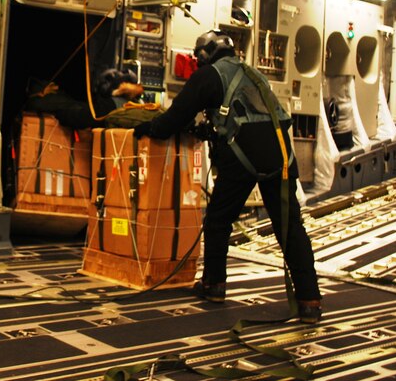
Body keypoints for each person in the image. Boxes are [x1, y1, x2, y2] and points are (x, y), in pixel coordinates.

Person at [132, 29, 322, 324]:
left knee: (218, 220)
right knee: (289, 227)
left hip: (242, 156)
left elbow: (177, 115)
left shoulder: (209, 75)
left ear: (205, 54)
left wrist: (150, 129)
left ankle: (214, 285)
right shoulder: (253, 74)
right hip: (281, 153)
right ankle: (309, 300)